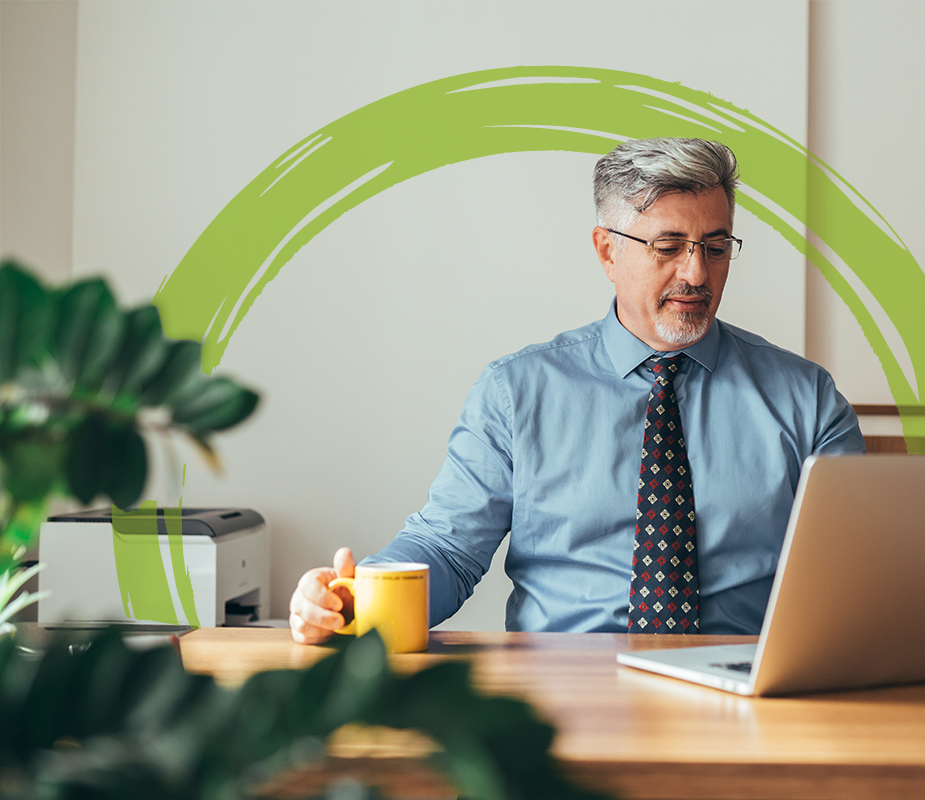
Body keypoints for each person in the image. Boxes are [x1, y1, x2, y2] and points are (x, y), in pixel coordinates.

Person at [290, 137, 865, 643]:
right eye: (668, 247)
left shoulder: (806, 400)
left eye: (715, 247)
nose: (696, 274)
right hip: (562, 693)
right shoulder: (516, 392)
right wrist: (354, 601)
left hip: (744, 691)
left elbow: (857, 574)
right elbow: (447, 549)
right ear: (607, 249)